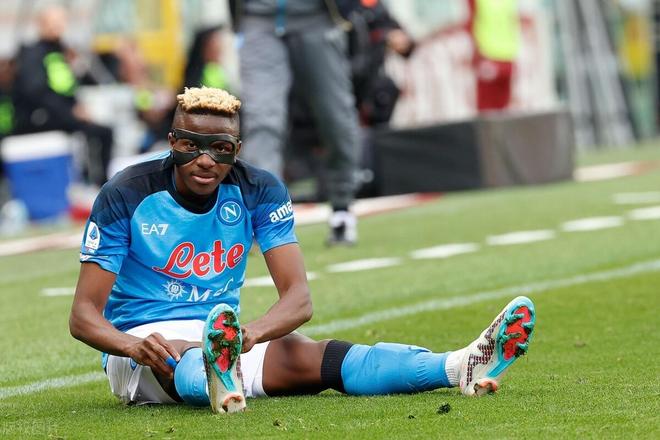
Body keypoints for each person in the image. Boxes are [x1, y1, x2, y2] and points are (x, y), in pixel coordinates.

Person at [69, 87, 536, 413]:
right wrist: (133, 344)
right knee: (179, 356)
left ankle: (458, 365)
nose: (206, 160)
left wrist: (250, 335)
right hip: (143, 344)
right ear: (173, 142)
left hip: (221, 335)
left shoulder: (259, 189)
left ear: (237, 148)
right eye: (191, 146)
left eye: (221, 148)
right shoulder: (127, 192)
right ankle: (217, 378)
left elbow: (298, 299)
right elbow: (84, 315)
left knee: (314, 357)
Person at [229, 0, 363, 245]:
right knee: (262, 120)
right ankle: (266, 215)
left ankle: (342, 208)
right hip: (257, 19)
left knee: (335, 117)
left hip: (318, 16)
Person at [12, 4, 114, 186]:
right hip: (41, 116)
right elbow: (36, 92)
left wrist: (78, 68)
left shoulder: (63, 51)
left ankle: (100, 182)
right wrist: (71, 112)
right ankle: (91, 180)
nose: (57, 27)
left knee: (104, 130)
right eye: (52, 22)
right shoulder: (33, 53)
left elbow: (70, 86)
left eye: (60, 22)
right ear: (41, 24)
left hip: (63, 112)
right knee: (97, 133)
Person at [467, 0, 521, 112]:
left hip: (488, 55)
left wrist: (475, 56)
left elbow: (470, 22)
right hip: (507, 56)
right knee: (503, 108)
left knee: (487, 109)